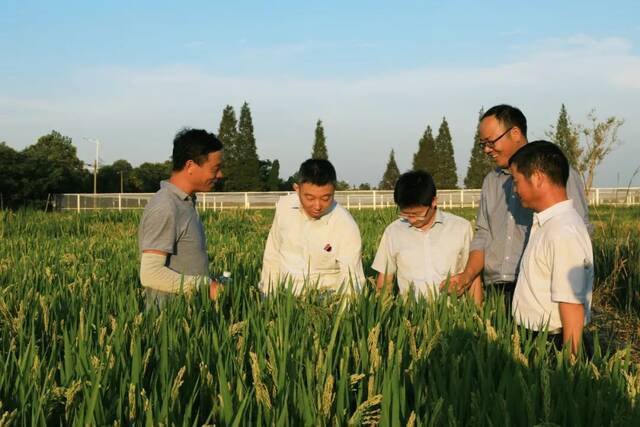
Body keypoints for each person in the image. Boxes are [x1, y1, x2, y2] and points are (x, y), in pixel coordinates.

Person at [441, 105, 590, 310]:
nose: (486, 150)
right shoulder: (492, 182)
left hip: (538, 290)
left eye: (491, 142)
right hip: (495, 291)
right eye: (482, 144)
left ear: (515, 133)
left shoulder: (557, 174)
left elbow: (577, 231)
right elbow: (483, 234)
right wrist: (467, 275)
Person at [509, 141, 593, 355]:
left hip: (553, 344)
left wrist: (570, 363)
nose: (515, 189)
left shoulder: (563, 230)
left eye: (516, 181)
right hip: (536, 339)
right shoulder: (548, 224)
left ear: (537, 177)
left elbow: (572, 303)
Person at [138, 128, 223, 308]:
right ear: (190, 166)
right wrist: (205, 286)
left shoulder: (185, 202)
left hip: (190, 315)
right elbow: (150, 274)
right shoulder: (166, 206)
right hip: (169, 321)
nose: (219, 175)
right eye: (215, 169)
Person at [373, 171, 482, 303]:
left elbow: (473, 276)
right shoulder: (393, 232)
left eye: (418, 214)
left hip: (454, 313)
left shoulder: (460, 228)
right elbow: (385, 281)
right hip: (412, 316)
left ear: (434, 201)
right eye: (406, 214)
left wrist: (478, 315)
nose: (412, 220)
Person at [260, 159, 365, 295]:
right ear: (297, 189)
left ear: (334, 191)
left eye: (325, 198)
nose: (317, 206)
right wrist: (267, 295)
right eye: (309, 198)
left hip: (325, 299)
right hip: (284, 297)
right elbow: (272, 254)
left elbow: (352, 280)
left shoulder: (345, 225)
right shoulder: (284, 208)